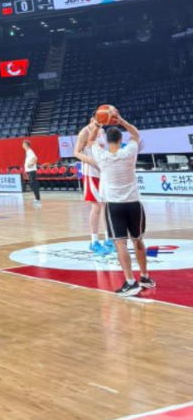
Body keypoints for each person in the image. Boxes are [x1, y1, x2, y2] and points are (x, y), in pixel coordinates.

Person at [75, 114, 154, 297]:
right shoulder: (130, 152)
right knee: (138, 240)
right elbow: (136, 134)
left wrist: (96, 125)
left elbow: (90, 141)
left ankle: (130, 282)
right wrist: (122, 121)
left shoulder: (101, 156)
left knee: (120, 244)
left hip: (115, 206)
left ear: (107, 141)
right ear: (120, 140)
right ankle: (145, 277)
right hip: (134, 204)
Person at [75, 116, 114, 255]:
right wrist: (91, 160)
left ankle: (108, 239)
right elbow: (76, 153)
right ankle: (94, 241)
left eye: (102, 123)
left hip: (102, 172)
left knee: (106, 206)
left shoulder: (101, 132)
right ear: (92, 120)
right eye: (98, 122)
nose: (100, 125)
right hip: (91, 173)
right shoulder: (84, 132)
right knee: (96, 206)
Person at [22, 140, 41, 206]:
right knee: (32, 185)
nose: (22, 145)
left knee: (34, 185)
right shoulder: (27, 152)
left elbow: (35, 158)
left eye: (23, 143)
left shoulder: (30, 151)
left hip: (32, 171)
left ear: (25, 144)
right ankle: (36, 198)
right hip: (29, 171)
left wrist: (31, 164)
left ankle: (37, 199)